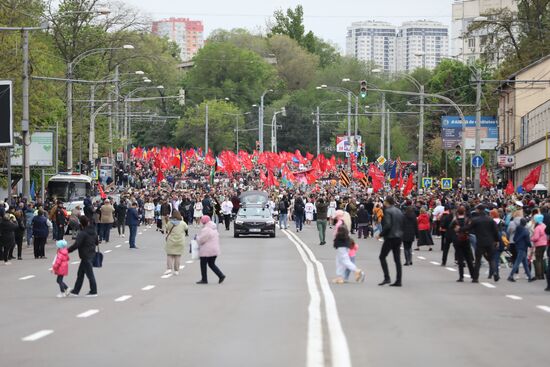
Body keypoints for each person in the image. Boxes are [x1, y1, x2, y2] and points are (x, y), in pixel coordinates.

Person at [68, 216, 98, 297]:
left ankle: (93, 291)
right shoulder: (93, 231)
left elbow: (77, 244)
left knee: (89, 274)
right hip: (91, 253)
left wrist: (67, 251)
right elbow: (97, 242)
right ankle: (75, 291)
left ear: (81, 223)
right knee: (80, 274)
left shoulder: (82, 233)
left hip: (85, 255)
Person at [378, 196, 405, 287]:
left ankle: (387, 278)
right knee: (397, 260)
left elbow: (388, 225)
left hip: (390, 237)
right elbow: (402, 223)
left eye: (384, 201)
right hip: (398, 237)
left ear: (387, 202)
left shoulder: (388, 211)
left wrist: (380, 234)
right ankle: (399, 280)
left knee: (382, 257)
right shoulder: (399, 211)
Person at [469, 204, 499, 283]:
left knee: (478, 260)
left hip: (480, 242)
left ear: (478, 210)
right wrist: (496, 240)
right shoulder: (490, 220)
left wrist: (460, 229)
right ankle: (495, 273)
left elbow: (468, 228)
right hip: (490, 241)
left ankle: (475, 278)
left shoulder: (476, 220)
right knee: (491, 258)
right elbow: (495, 232)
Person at [196, 216, 226, 284]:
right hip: (214, 249)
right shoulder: (214, 228)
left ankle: (204, 279)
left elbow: (202, 240)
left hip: (206, 249)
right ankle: (221, 275)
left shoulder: (206, 229)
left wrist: (197, 238)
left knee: (203, 264)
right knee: (211, 264)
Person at [449, 206, 474, 282]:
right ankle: (473, 276)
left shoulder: (455, 220)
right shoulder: (467, 220)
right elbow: (470, 227)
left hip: (457, 239)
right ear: (464, 212)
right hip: (466, 239)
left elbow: (450, 227)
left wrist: (457, 229)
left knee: (460, 259)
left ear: (457, 212)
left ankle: (461, 276)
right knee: (469, 258)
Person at [164, 211, 188, 276]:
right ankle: (176, 270)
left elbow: (167, 228)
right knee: (178, 256)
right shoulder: (182, 223)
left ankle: (169, 269)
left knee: (170, 255)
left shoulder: (170, 223)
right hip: (180, 241)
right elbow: (186, 228)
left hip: (171, 240)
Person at [530, 214, 547, 280]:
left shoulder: (537, 228)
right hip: (544, 244)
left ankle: (538, 275)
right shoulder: (544, 226)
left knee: (537, 260)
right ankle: (542, 275)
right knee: (542, 259)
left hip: (539, 245)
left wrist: (531, 238)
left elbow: (536, 238)